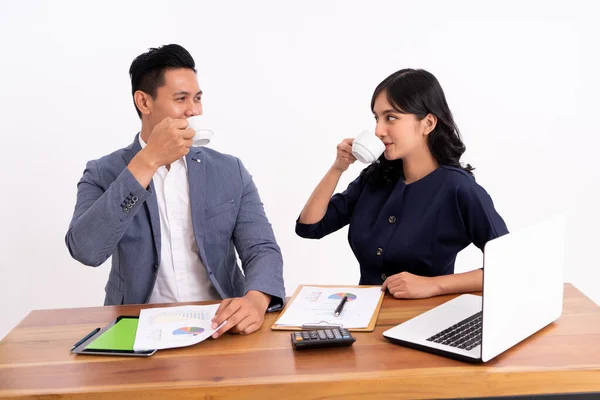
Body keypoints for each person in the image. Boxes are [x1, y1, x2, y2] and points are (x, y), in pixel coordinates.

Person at [65, 44, 284, 337]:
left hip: (222, 326)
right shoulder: (102, 173)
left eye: (197, 98)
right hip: (136, 329)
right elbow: (86, 250)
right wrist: (148, 161)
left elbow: (261, 248)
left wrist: (257, 299)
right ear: (144, 102)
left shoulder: (230, 170)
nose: (194, 110)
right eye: (181, 99)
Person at [296, 68, 508, 299]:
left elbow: (510, 265)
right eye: (377, 118)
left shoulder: (458, 188)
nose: (378, 131)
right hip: (364, 314)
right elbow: (310, 227)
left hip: (426, 319)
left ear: (427, 123)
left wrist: (433, 285)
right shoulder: (375, 178)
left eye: (391, 118)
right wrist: (338, 168)